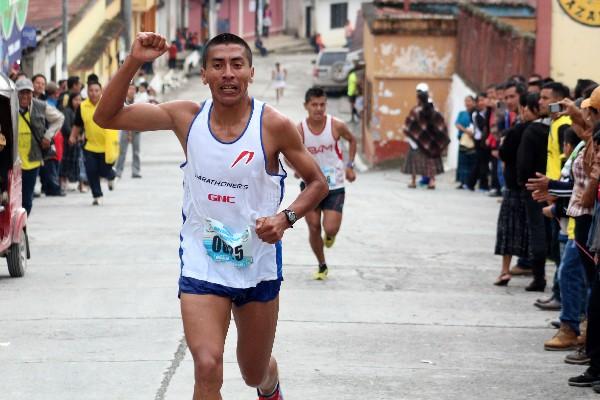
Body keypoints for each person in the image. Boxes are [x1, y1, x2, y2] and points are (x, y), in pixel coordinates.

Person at [93, 32, 328, 400]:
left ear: (251, 71)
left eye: (237, 64)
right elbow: (107, 116)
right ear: (204, 74)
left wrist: (285, 219)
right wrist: (135, 60)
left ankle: (269, 384)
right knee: (206, 366)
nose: (228, 73)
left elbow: (318, 182)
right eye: (218, 65)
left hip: (256, 264)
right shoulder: (186, 117)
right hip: (204, 261)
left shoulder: (274, 126)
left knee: (253, 371)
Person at [296, 87, 357, 280]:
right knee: (313, 225)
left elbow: (352, 139)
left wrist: (350, 165)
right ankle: (322, 265)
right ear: (306, 106)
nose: (318, 109)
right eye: (314, 105)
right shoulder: (299, 130)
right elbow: (287, 153)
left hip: (335, 185)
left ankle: (329, 236)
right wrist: (296, 168)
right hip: (310, 185)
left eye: (322, 104)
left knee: (329, 228)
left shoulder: (336, 125)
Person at [493, 93, 537, 286]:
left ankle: (505, 270)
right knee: (533, 230)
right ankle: (537, 273)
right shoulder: (546, 130)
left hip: (515, 186)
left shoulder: (517, 131)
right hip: (535, 186)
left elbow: (503, 153)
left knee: (509, 230)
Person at [517, 91, 550, 292]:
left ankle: (539, 277)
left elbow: (523, 162)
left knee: (537, 231)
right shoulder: (559, 127)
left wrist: (523, 183)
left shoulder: (531, 131)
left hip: (534, 187)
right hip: (556, 186)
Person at [15, 79, 64, 214]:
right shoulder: (8, 106)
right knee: (11, 198)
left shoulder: (41, 106)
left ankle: (22, 225)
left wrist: (48, 136)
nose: (25, 96)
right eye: (21, 93)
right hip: (13, 160)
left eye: (28, 92)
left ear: (33, 93)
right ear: (16, 94)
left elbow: (59, 118)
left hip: (33, 159)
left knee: (27, 198)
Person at [69, 81, 118, 205]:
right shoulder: (82, 106)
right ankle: (97, 195)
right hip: (90, 145)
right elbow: (78, 124)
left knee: (104, 171)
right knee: (91, 170)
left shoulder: (108, 104)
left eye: (97, 90)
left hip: (108, 146)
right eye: (91, 90)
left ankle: (111, 175)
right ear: (87, 92)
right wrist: (72, 136)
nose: (94, 93)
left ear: (101, 92)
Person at [403, 83, 449, 190]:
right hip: (432, 142)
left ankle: (413, 181)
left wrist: (413, 136)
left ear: (418, 98)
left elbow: (409, 125)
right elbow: (441, 126)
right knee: (431, 160)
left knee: (414, 160)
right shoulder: (435, 111)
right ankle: (432, 182)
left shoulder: (415, 111)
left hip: (417, 140)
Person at [115, 83, 142, 178]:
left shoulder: (138, 101)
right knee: (122, 151)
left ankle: (136, 171)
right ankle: (118, 171)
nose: (132, 91)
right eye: (130, 89)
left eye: (133, 89)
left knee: (136, 152)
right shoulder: (123, 102)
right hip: (125, 129)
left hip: (136, 130)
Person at [60, 92, 84, 190]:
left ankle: (77, 182)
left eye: (79, 100)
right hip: (67, 141)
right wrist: (74, 136)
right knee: (65, 162)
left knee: (77, 163)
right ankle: (63, 181)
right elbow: (66, 127)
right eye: (75, 100)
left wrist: (80, 135)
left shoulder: (81, 111)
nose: (78, 102)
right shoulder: (67, 111)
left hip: (77, 142)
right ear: (71, 101)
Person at [468, 93, 491, 191]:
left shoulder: (489, 112)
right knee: (482, 163)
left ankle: (471, 183)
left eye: (483, 100)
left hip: (487, 140)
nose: (481, 102)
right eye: (479, 101)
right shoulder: (475, 114)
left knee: (480, 163)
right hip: (480, 141)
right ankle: (482, 184)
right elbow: (482, 127)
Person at [455, 95, 476, 189]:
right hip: (462, 140)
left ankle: (469, 182)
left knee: (470, 162)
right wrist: (465, 131)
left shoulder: (475, 113)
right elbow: (457, 124)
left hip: (472, 141)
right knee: (462, 162)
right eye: (466, 101)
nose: (467, 103)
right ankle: (462, 182)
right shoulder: (462, 113)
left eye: (469, 101)